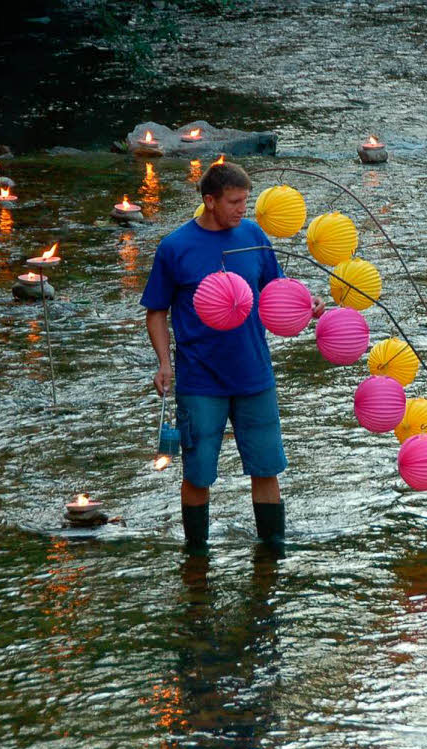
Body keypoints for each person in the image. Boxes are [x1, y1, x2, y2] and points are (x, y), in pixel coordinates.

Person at [142, 161, 323, 547]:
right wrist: (163, 363)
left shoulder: (255, 237)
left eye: (246, 200)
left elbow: (278, 292)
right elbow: (156, 311)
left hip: (254, 375)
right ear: (209, 201)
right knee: (198, 473)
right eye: (235, 201)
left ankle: (273, 550)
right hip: (199, 380)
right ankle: (196, 555)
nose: (244, 208)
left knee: (267, 467)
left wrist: (309, 303)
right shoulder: (175, 247)